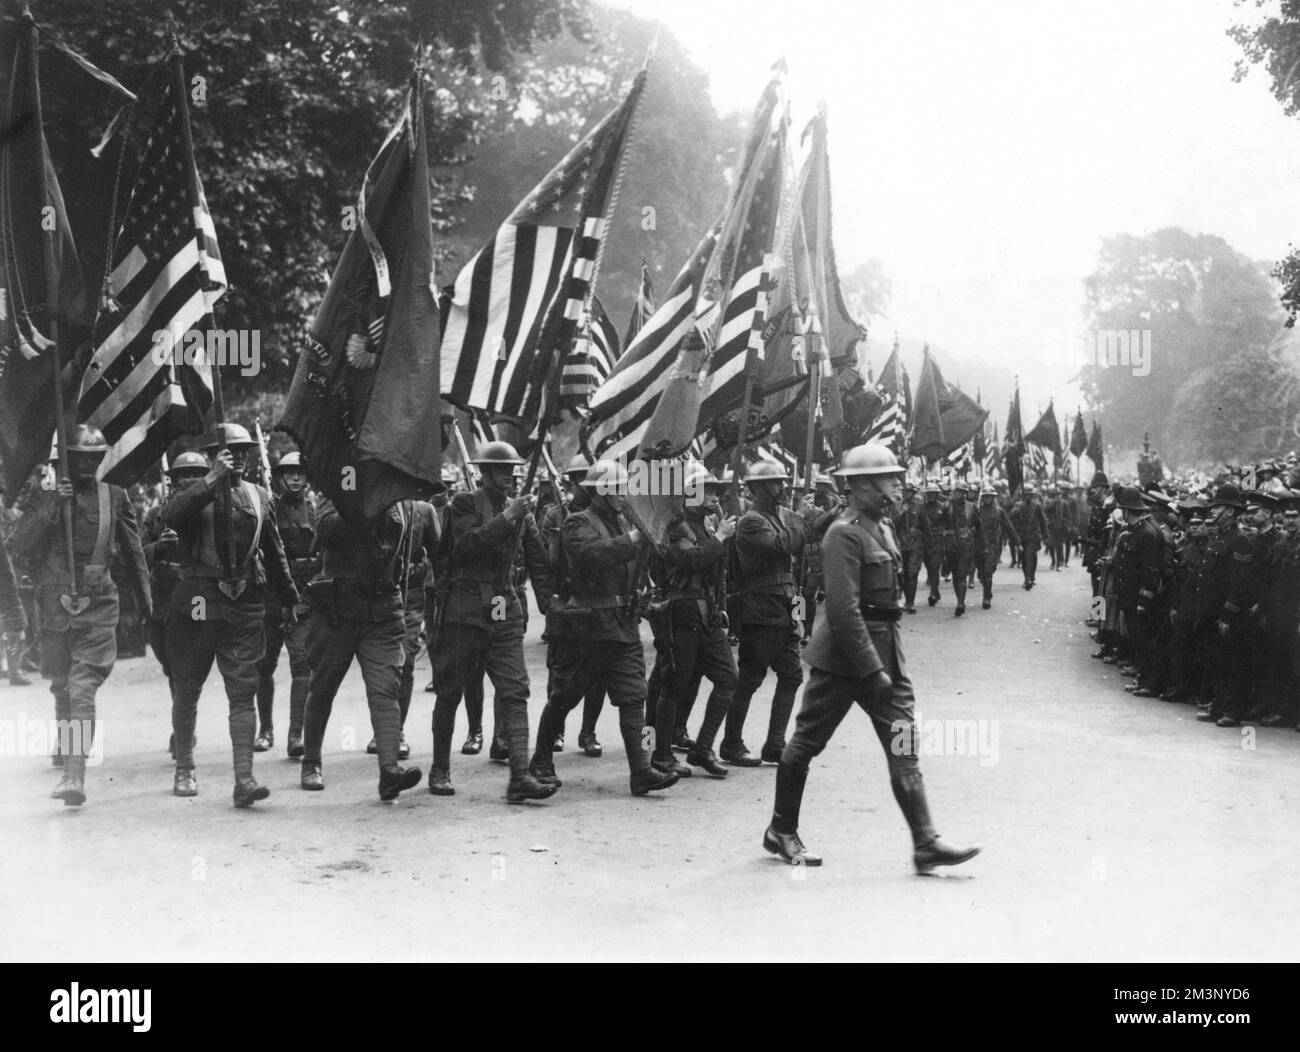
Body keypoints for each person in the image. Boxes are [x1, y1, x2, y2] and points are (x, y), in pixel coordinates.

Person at [763, 443, 980, 872]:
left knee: (904, 743)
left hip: (885, 655)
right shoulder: (842, 533)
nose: (897, 485)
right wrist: (871, 668)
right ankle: (780, 829)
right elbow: (843, 611)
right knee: (807, 742)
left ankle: (925, 841)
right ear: (861, 485)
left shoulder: (882, 527)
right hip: (845, 661)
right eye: (889, 478)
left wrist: (887, 667)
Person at [8, 426, 150, 805]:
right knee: (60, 682)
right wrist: (53, 505)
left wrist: (150, 608)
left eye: (95, 457)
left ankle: (75, 774)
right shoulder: (46, 495)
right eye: (80, 457)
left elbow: (135, 555)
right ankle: (64, 741)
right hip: (54, 609)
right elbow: (16, 546)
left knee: (82, 686)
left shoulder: (114, 497)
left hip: (99, 606)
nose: (88, 463)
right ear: (66, 458)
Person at [163, 423, 298, 805]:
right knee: (188, 687)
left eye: (243, 451)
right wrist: (210, 480)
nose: (236, 456)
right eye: (228, 450)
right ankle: (185, 768)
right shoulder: (195, 491)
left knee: (243, 691)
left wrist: (289, 597)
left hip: (244, 605)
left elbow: (274, 551)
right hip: (198, 603)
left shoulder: (257, 496)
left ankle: (244, 778)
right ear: (212, 454)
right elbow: (171, 518)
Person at [531, 459, 678, 796]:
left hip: (622, 627)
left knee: (633, 697)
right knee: (565, 696)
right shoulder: (576, 523)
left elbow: (637, 563)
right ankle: (540, 759)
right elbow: (594, 555)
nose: (620, 495)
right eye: (614, 489)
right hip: (588, 630)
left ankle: (641, 770)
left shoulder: (625, 521)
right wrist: (634, 538)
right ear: (598, 492)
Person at [426, 441, 556, 801]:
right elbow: (467, 546)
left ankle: (519, 776)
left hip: (502, 606)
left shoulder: (522, 511)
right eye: (500, 470)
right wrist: (508, 517)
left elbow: (538, 560)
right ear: (483, 473)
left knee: (515, 690)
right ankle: (439, 769)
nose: (509, 475)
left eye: (511, 470)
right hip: (464, 610)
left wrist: (549, 603)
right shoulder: (465, 504)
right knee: (450, 692)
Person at [298, 494, 428, 800]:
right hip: (337, 609)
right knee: (323, 686)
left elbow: (398, 543)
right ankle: (311, 761)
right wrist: (364, 505)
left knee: (385, 689)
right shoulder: (342, 483)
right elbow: (326, 530)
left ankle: (389, 771)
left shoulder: (400, 502)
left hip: (381, 610)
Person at [721, 460, 831, 766]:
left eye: (781, 482)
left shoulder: (779, 516)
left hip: (783, 606)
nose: (781, 487)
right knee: (751, 679)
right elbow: (784, 546)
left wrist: (826, 513)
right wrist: (799, 515)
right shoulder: (751, 522)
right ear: (755, 489)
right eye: (773, 483)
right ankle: (731, 743)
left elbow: (804, 535)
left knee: (792, 675)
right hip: (760, 609)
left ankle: (774, 743)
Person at [647, 462, 737, 779]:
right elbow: (689, 560)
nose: (714, 497)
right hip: (682, 615)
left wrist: (722, 605)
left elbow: (719, 572)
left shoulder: (711, 526)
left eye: (715, 491)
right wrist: (722, 537)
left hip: (708, 615)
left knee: (728, 678)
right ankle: (660, 755)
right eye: (707, 491)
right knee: (674, 686)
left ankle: (703, 748)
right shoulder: (676, 527)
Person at [255, 451, 319, 758]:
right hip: (271, 598)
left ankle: (297, 734)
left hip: (304, 599)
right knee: (263, 666)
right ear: (280, 476)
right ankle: (265, 729)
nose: (295, 478)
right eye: (290, 473)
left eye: (301, 472)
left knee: (302, 665)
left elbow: (324, 557)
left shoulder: (316, 510)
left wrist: (307, 597)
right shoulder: (267, 507)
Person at [937, 479, 978, 616]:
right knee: (955, 574)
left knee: (961, 574)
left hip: (966, 544)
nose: (957, 494)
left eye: (960, 492)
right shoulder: (947, 506)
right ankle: (959, 599)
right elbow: (939, 522)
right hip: (951, 545)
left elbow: (979, 526)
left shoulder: (972, 507)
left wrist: (982, 544)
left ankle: (961, 603)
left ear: (965, 493)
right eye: (956, 491)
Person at [975, 484, 1019, 609]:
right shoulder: (977, 510)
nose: (988, 499)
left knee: (989, 571)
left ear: (993, 497)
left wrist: (1017, 542)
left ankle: (986, 597)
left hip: (993, 544)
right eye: (985, 497)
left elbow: (1009, 527)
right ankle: (987, 590)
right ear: (982, 498)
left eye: (990, 497)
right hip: (979, 544)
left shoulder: (999, 511)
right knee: (981, 572)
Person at [894, 482, 929, 614]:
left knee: (912, 572)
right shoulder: (897, 506)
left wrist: (928, 545)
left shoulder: (920, 507)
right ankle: (904, 599)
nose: (907, 494)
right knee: (902, 573)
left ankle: (911, 602)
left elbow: (926, 526)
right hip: (901, 543)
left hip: (915, 543)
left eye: (910, 492)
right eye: (905, 491)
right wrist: (901, 513)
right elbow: (892, 523)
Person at [1011, 482, 1048, 589]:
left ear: (1032, 495)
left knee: (1030, 556)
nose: (1028, 496)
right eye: (1026, 494)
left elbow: (1042, 521)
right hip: (1021, 536)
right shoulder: (1018, 505)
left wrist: (1045, 535)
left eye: (1030, 495)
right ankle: (1027, 577)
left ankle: (1029, 578)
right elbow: (1011, 517)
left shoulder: (1036, 506)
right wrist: (1016, 511)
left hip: (1033, 535)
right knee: (1023, 557)